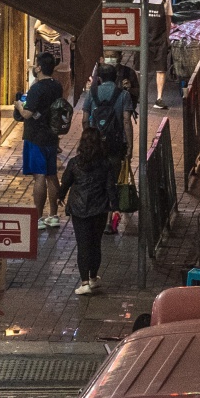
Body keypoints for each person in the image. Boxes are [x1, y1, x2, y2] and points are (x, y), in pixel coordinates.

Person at [59, 127, 117, 296]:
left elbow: (66, 183)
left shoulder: (74, 163)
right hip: (99, 209)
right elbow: (110, 188)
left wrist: (60, 196)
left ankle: (84, 282)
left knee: (83, 245)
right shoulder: (106, 164)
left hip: (79, 209)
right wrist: (114, 207)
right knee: (95, 244)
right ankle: (93, 277)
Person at [15, 54, 68, 228]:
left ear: (38, 67)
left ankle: (37, 218)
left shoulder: (37, 89)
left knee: (39, 176)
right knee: (51, 174)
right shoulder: (56, 86)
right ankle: (53, 215)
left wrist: (18, 105)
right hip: (51, 135)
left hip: (35, 136)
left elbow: (27, 114)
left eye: (35, 64)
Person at [134, 0, 176, 107]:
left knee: (161, 69)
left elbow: (168, 20)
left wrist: (168, 37)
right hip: (143, 38)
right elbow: (133, 15)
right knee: (140, 68)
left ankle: (159, 98)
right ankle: (141, 94)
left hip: (160, 39)